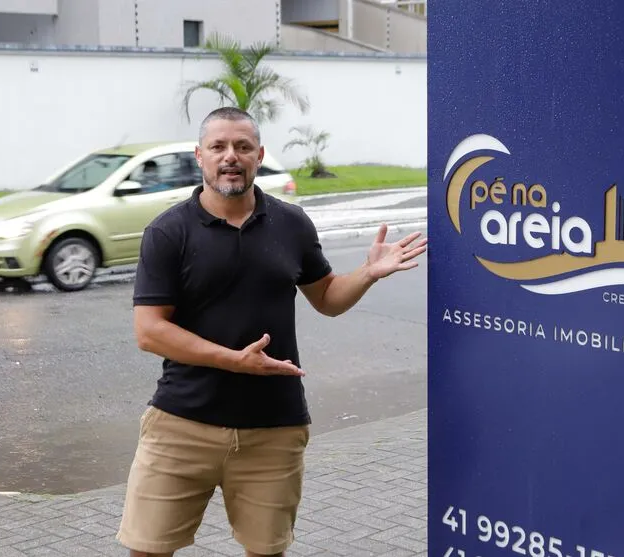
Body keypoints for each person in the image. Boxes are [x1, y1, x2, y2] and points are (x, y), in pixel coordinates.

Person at [115, 106, 427, 557]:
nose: (231, 156)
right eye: (218, 146)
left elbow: (327, 299)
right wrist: (235, 360)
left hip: (273, 430)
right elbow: (150, 332)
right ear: (198, 156)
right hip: (182, 425)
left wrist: (367, 273)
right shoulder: (169, 232)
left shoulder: (292, 223)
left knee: (267, 552)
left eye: (242, 147)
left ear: (259, 155)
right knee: (147, 551)